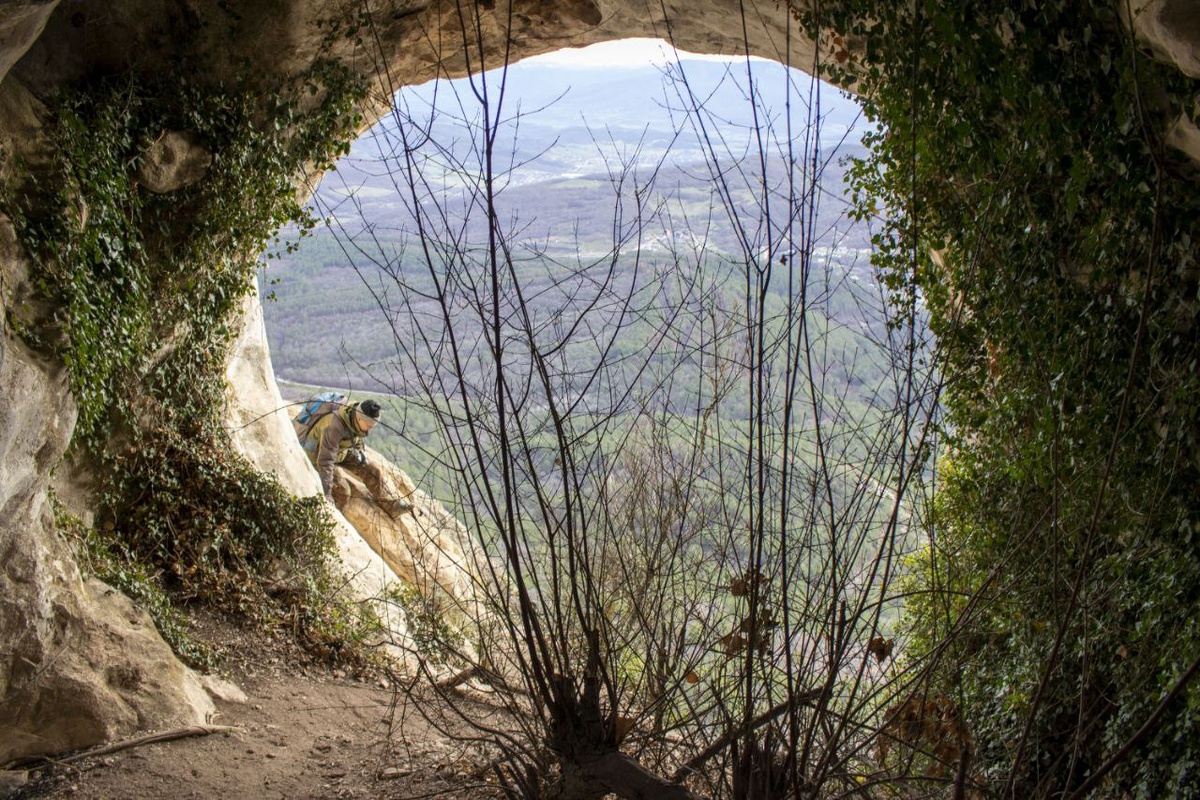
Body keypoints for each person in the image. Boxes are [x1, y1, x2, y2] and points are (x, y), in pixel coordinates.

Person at [295, 397, 381, 502]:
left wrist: (360, 452)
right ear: (359, 418)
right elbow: (325, 461)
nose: (371, 427)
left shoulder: (354, 417)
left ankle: (388, 505)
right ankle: (329, 514)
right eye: (369, 425)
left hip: (338, 452)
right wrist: (326, 493)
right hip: (317, 457)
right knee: (343, 492)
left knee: (374, 471)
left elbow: (357, 436)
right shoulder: (334, 426)